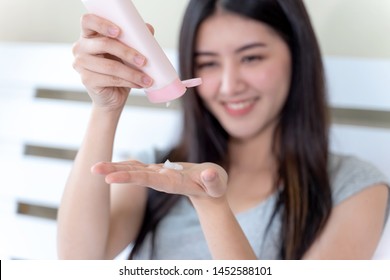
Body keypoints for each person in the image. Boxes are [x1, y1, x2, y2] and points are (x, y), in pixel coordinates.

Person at [57, 0, 389, 260]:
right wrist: (106, 108)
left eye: (251, 58)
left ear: (297, 56)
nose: (229, 86)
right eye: (208, 63)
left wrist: (212, 206)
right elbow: (78, 264)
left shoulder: (354, 188)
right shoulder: (153, 171)